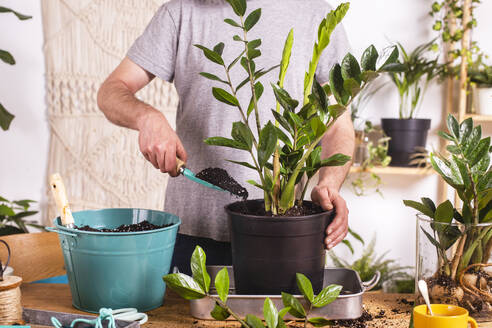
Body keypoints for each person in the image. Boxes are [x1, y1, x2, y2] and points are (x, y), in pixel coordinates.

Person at [97, 0, 354, 274]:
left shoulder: (316, 14)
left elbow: (338, 124)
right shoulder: (181, 13)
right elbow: (112, 90)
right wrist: (147, 117)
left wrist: (330, 183)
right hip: (193, 238)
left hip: (285, 236)